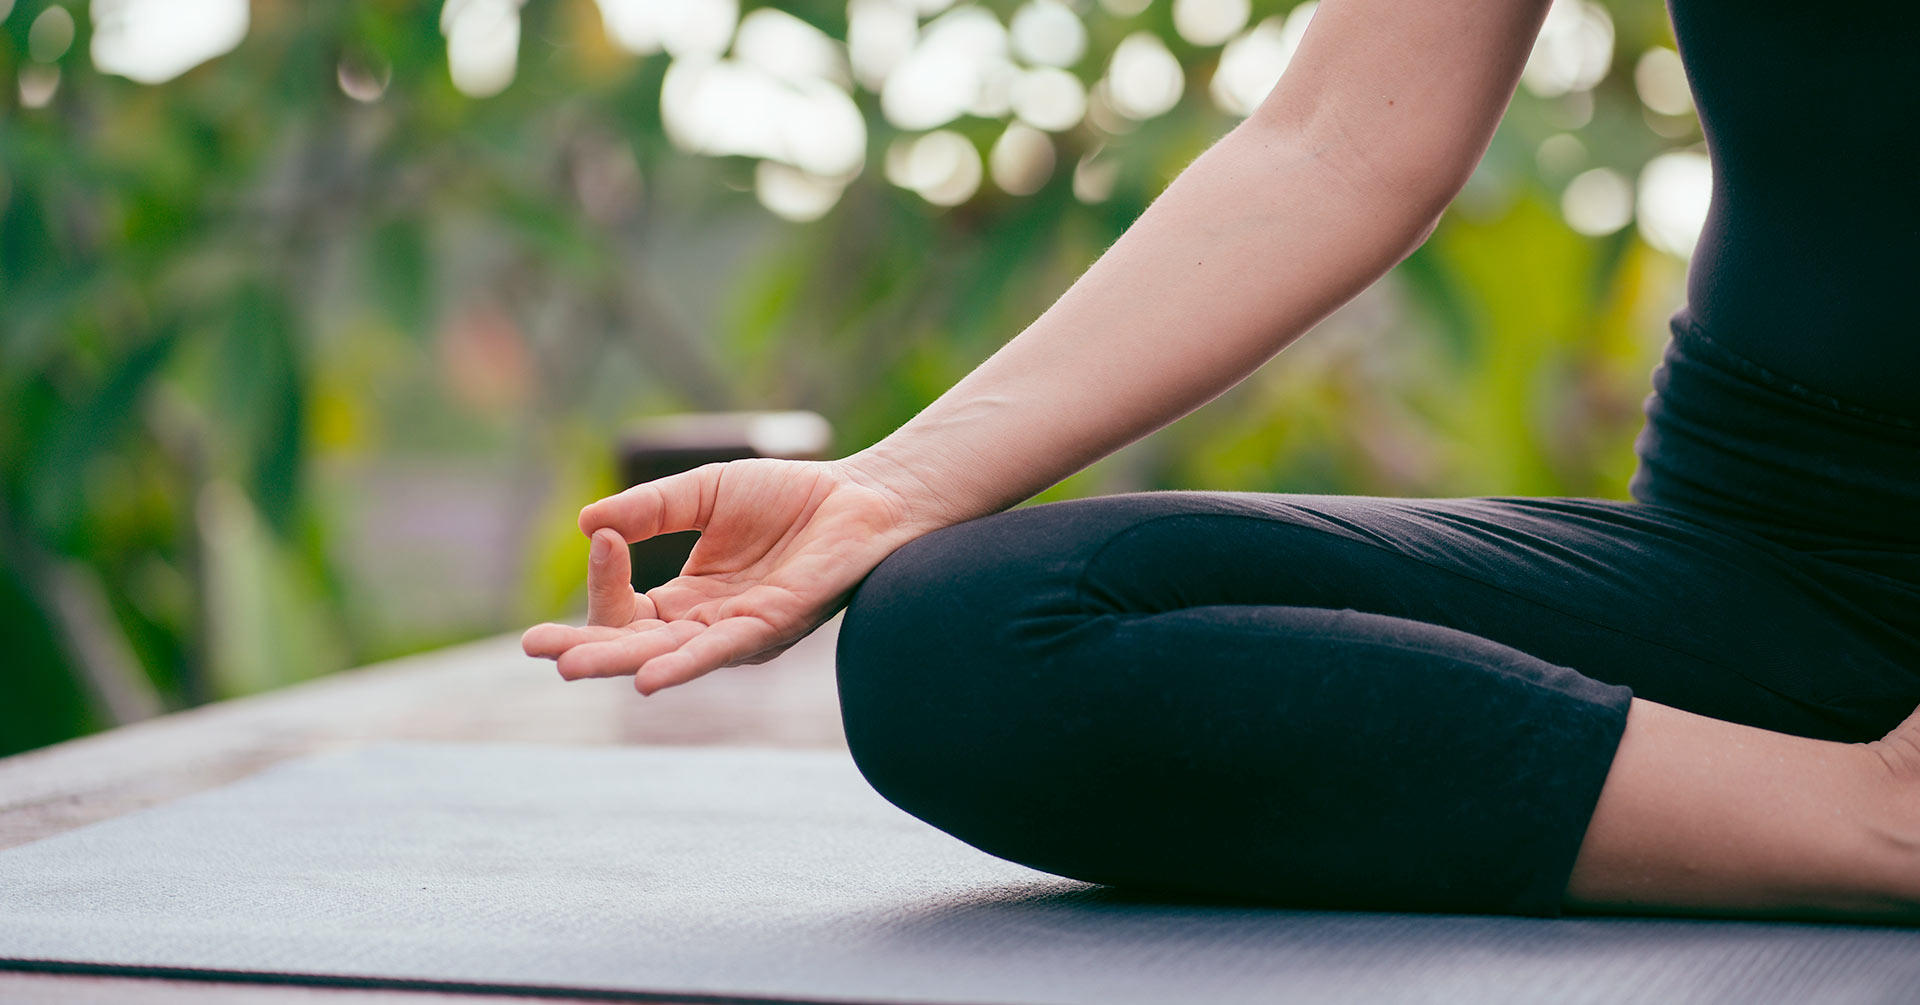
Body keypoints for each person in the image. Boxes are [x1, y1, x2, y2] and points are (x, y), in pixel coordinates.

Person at [523, 0, 1920, 921]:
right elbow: (1336, 144)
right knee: (966, 640)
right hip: (1765, 564)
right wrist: (893, 486)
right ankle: (1865, 820)